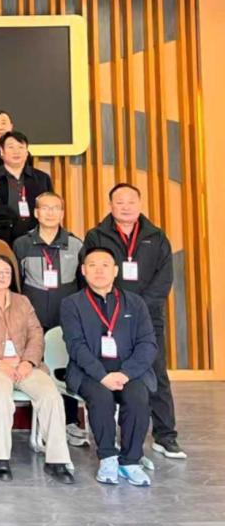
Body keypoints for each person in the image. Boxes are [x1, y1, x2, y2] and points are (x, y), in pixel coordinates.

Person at [83, 182, 183, 459]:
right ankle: (113, 437)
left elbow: (164, 279)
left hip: (147, 319)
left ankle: (165, 435)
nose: (125, 207)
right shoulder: (97, 236)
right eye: (119, 202)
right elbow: (90, 274)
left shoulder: (156, 237)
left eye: (131, 202)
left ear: (139, 204)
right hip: (106, 317)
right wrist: (112, 308)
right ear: (110, 205)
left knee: (156, 373)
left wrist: (137, 309)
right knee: (106, 373)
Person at [0, 254, 74, 484]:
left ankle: (57, 460)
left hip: (24, 365)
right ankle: (0, 458)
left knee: (51, 395)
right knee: (1, 392)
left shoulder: (22, 301)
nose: (2, 275)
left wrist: (28, 362)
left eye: (6, 272)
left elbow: (36, 334)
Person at [60, 247, 157, 486]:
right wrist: (102, 376)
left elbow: (147, 344)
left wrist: (125, 373)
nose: (99, 270)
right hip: (89, 372)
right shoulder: (71, 304)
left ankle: (130, 461)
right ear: (83, 271)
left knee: (137, 397)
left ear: (115, 270)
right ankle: (108, 458)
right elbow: (76, 346)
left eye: (105, 265)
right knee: (101, 397)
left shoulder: (135, 303)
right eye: (92, 265)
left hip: (129, 371)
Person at [13, 192, 84, 331]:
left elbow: (83, 283)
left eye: (55, 208)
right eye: (45, 208)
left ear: (62, 214)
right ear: (36, 213)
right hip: (31, 317)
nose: (50, 213)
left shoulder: (76, 245)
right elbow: (16, 283)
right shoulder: (22, 244)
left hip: (67, 316)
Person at [0, 131, 52, 242]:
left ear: (26, 152)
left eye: (21, 147)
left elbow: (50, 207)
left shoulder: (42, 178)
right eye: (11, 147)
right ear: (2, 151)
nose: (16, 151)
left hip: (35, 239)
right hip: (1, 238)